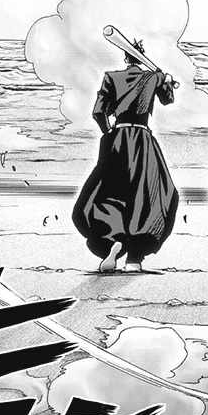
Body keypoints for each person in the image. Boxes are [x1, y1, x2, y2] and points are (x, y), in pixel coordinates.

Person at [72, 41, 178, 273]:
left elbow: (98, 112)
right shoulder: (153, 77)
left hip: (117, 140)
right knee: (149, 196)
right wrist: (168, 81)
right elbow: (168, 99)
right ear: (142, 57)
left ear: (126, 58)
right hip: (142, 140)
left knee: (109, 192)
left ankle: (112, 241)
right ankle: (135, 257)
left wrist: (108, 132)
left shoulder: (111, 77)